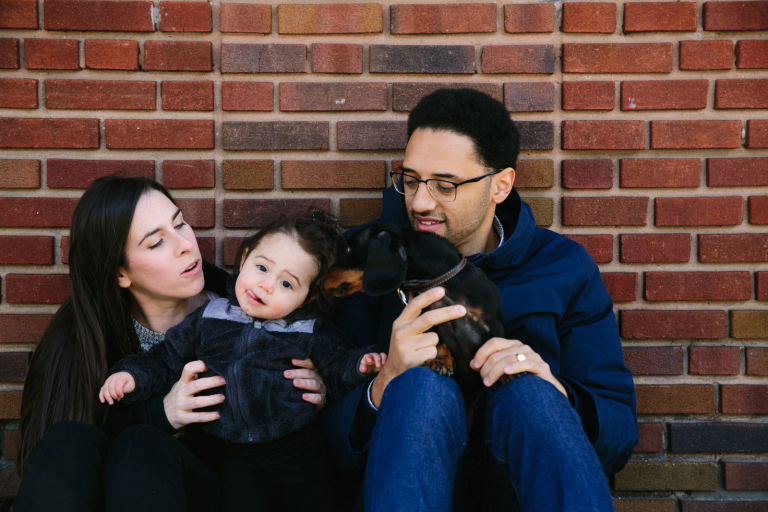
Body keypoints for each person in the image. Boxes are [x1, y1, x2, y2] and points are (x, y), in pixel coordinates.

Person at [321, 89, 638, 511]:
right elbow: (321, 446)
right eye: (411, 180)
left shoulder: (562, 267)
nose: (419, 202)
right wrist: (383, 383)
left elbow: (618, 438)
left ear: (500, 186)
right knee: (418, 387)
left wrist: (557, 391)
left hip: (519, 489)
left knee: (531, 394)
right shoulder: (362, 265)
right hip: (406, 484)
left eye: (445, 185)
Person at [15, 176, 328, 512]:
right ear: (120, 273)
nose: (185, 244)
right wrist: (162, 414)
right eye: (156, 243)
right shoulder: (78, 335)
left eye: (179, 223)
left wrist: (320, 390)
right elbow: (52, 459)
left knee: (142, 445)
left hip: (224, 494)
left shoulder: (249, 308)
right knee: (72, 439)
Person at [100, 211, 386, 512]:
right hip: (237, 457)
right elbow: (166, 358)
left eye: (287, 284)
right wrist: (130, 376)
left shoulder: (309, 330)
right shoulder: (210, 317)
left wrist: (362, 362)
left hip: (300, 450)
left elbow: (338, 365)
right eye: (262, 267)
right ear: (246, 256)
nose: (266, 285)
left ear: (307, 299)